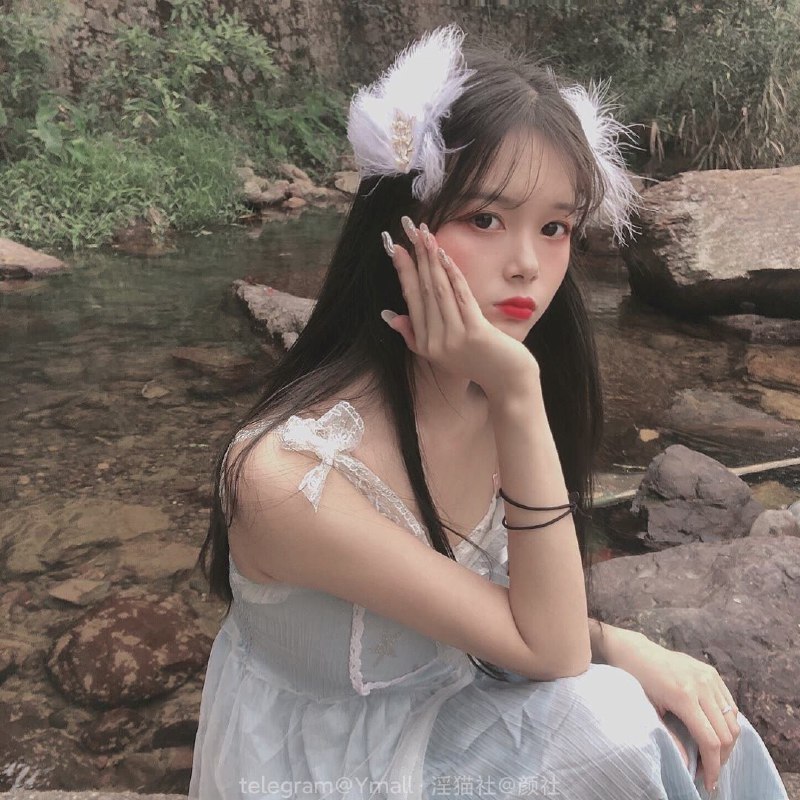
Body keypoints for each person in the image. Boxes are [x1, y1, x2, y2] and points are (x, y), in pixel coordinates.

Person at [190, 25, 789, 800]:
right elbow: (551, 652)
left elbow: (530, 626)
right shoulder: (288, 475)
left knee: (685, 728)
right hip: (326, 763)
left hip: (457, 704)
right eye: (485, 219)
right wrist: (516, 390)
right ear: (398, 229)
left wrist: (630, 647)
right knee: (614, 725)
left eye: (555, 227)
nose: (528, 265)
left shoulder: (493, 392)